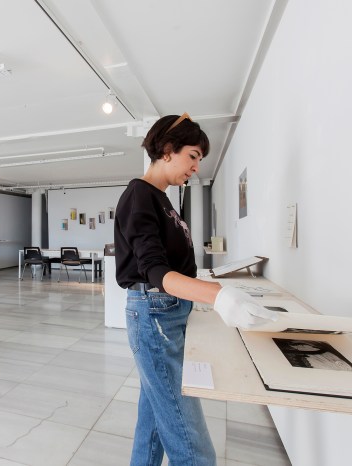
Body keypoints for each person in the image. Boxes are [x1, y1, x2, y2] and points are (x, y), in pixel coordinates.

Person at [114, 113, 279, 466]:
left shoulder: (161, 198)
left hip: (165, 312)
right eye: (192, 156)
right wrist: (217, 296)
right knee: (192, 445)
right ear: (167, 150)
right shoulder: (139, 195)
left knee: (155, 420)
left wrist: (209, 288)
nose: (196, 167)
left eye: (199, 160)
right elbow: (157, 273)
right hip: (155, 315)